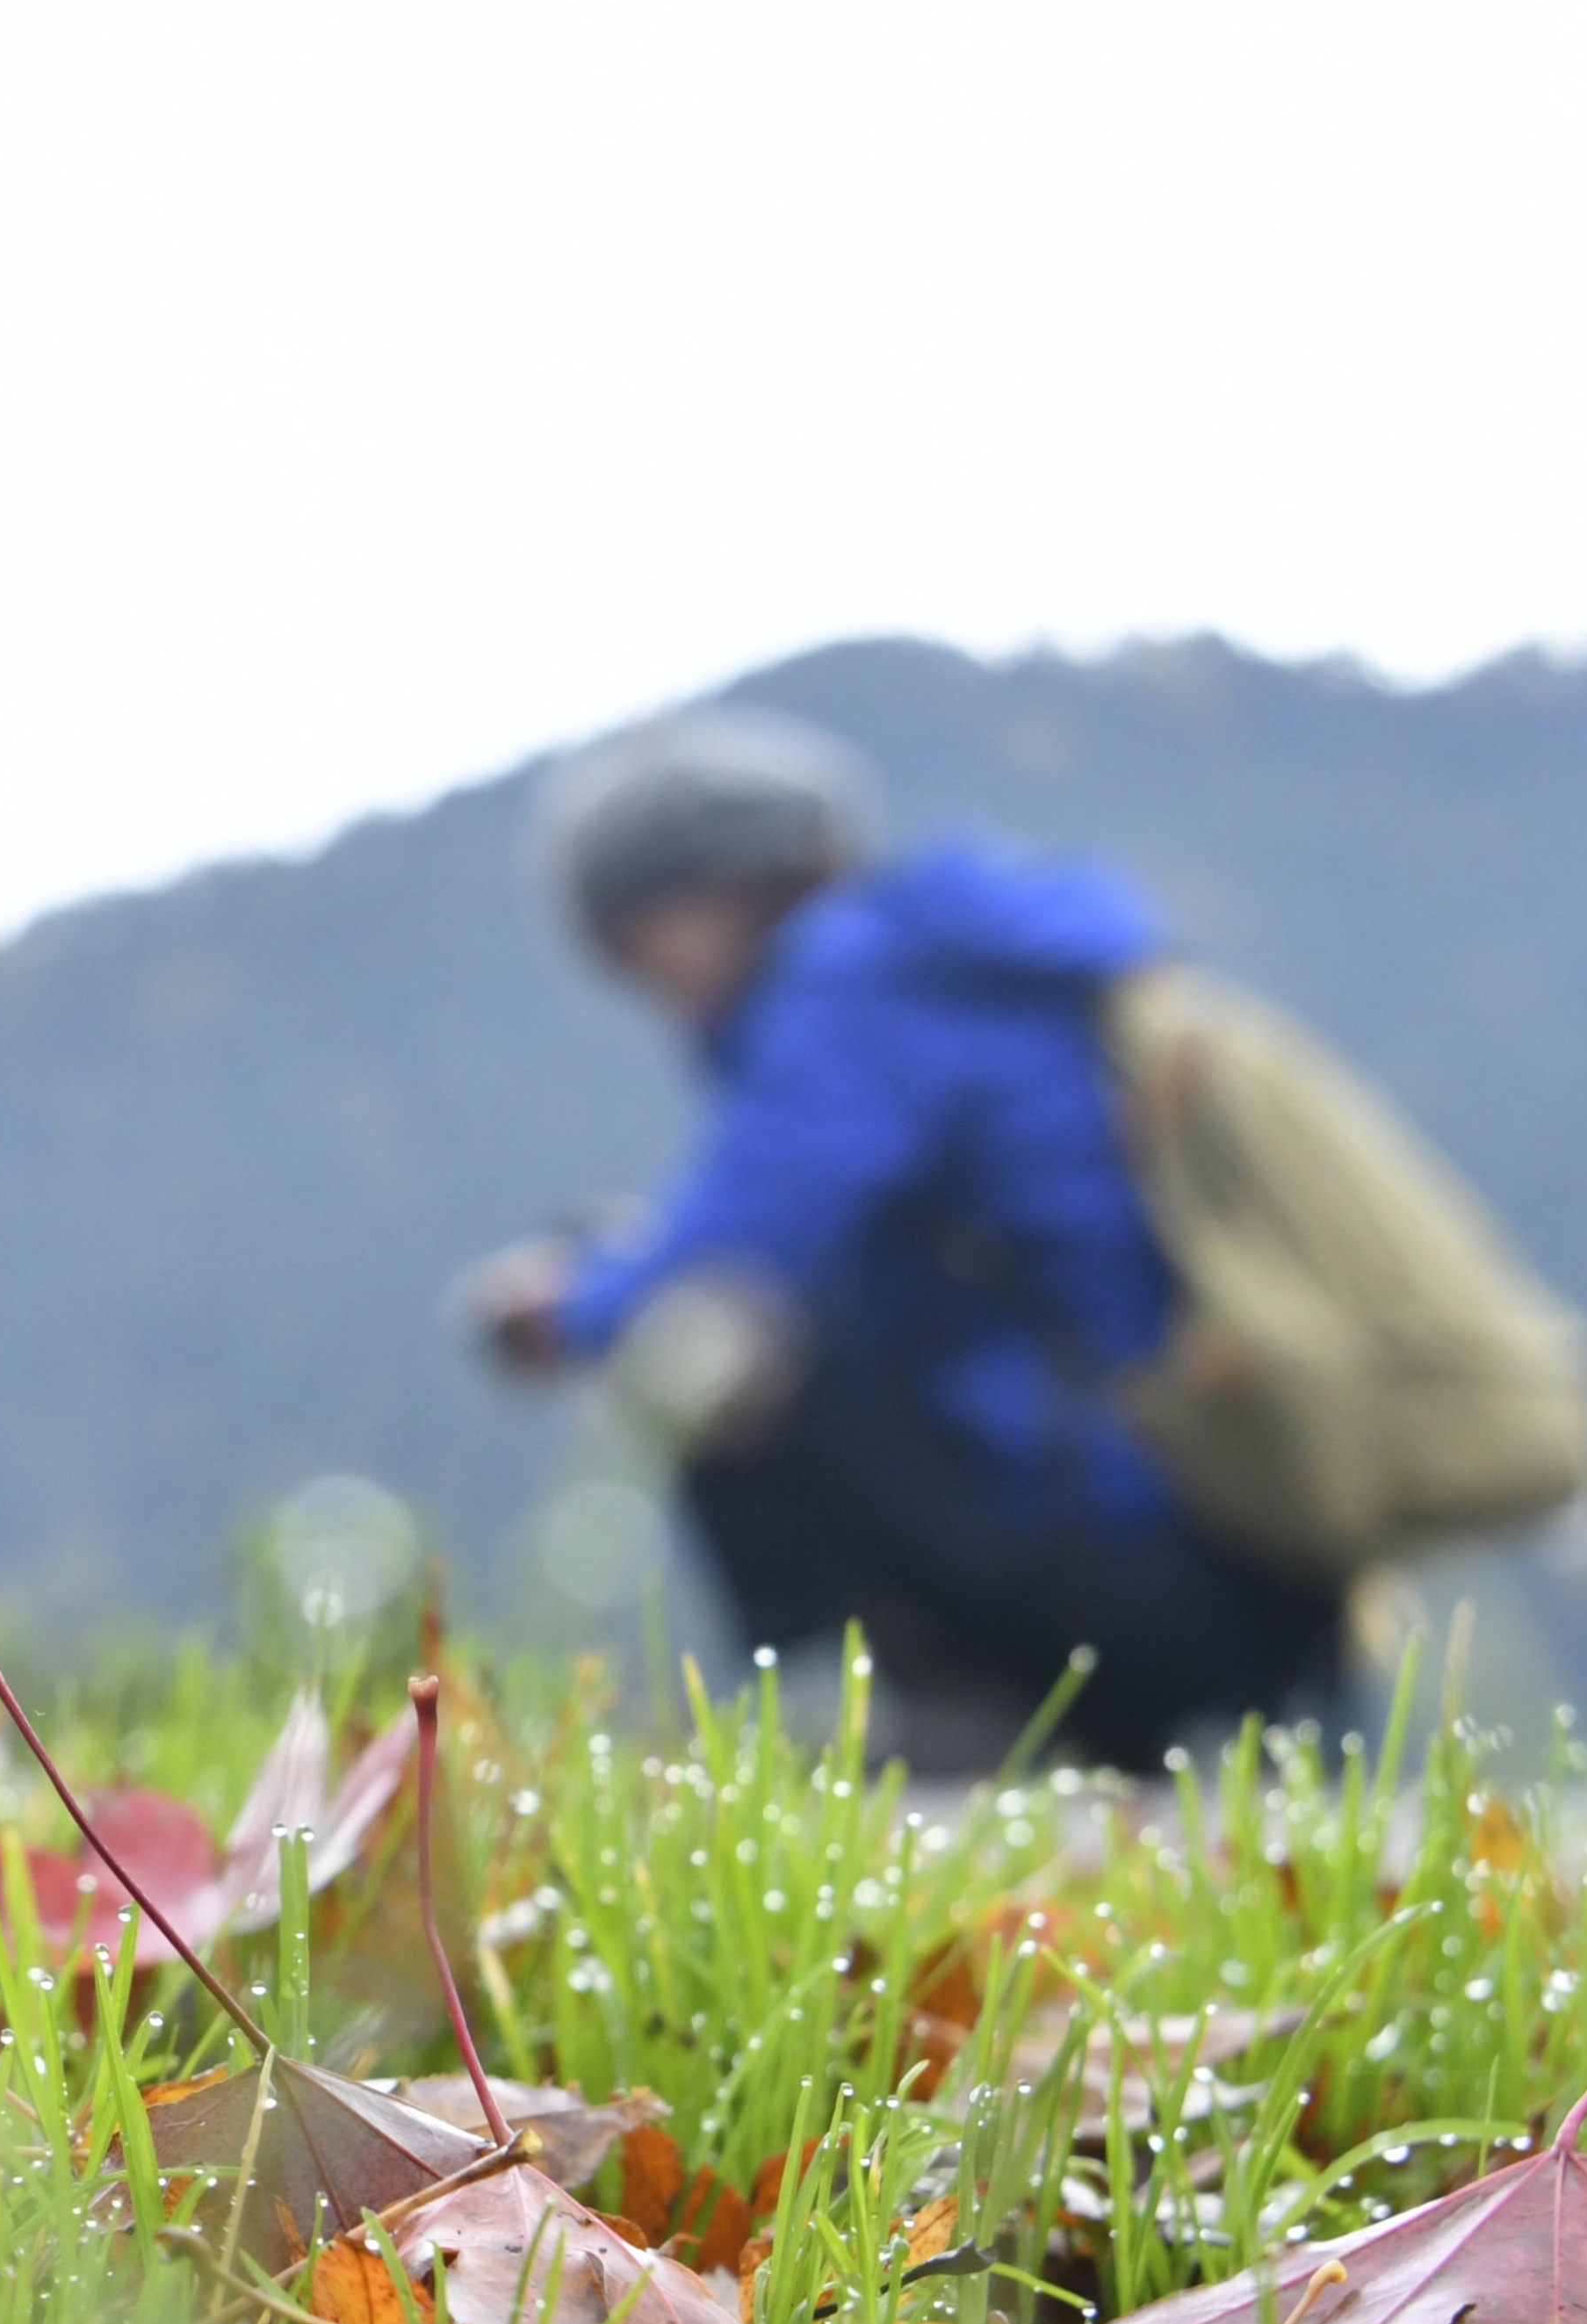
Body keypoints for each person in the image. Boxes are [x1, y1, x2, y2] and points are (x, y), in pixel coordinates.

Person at [463, 705, 1345, 1765]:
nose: (645, 984)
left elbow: (729, 1257)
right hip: (1239, 1573)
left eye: (634, 936)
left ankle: (924, 1709)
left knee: (702, 1324)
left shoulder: (857, 987)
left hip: (1131, 1585)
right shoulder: (959, 966)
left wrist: (557, 1303)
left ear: (711, 893)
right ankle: (963, 1699)